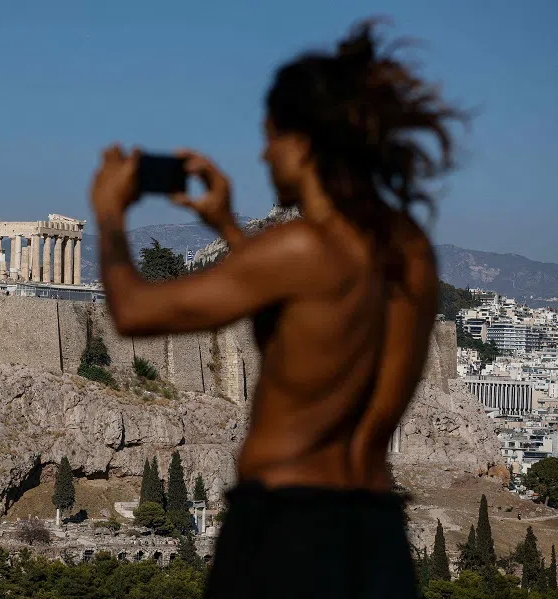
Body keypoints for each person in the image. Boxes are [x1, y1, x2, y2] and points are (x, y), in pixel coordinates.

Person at [89, 20, 465, 599]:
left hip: (288, 528)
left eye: (271, 136)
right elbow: (312, 315)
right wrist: (228, 230)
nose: (262, 153)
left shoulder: (300, 248)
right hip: (373, 532)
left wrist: (110, 214)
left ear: (305, 143)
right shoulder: (409, 249)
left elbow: (135, 312)